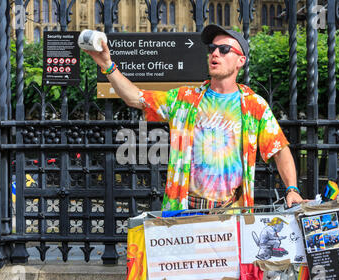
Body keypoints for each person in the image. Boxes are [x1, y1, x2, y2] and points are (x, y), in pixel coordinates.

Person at [84, 24, 304, 212]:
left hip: (232, 210)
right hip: (186, 208)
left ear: (240, 61)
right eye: (212, 48)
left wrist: (292, 190)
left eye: (224, 49)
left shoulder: (254, 105)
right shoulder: (185, 99)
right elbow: (135, 98)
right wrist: (107, 65)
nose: (215, 53)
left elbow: (279, 149)